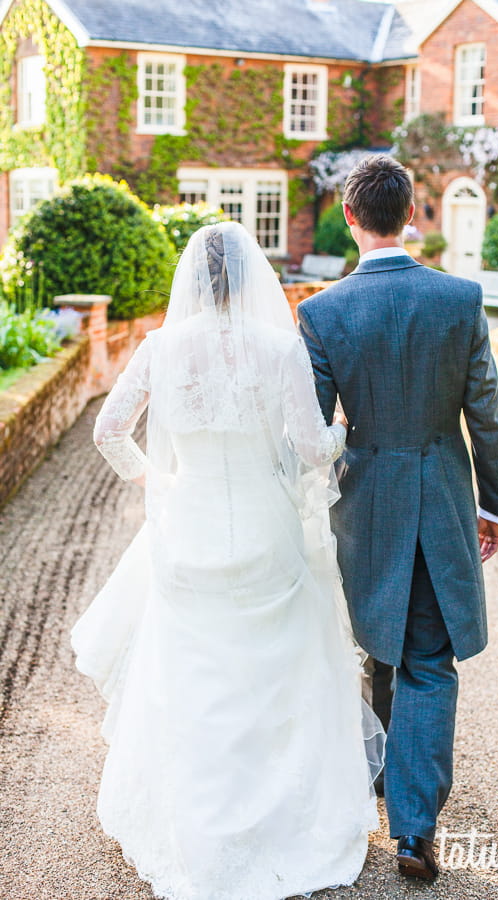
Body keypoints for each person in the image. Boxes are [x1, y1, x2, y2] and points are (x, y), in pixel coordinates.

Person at [71, 222, 383, 900]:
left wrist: (158, 482)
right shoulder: (279, 348)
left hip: (189, 528)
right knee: (273, 676)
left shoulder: (161, 348)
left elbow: (108, 431)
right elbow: (308, 448)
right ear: (250, 281)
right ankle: (278, 815)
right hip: (266, 538)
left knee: (196, 683)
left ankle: (196, 821)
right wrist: (341, 433)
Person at [297, 155, 498, 882]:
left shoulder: (322, 313)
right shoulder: (460, 299)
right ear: (412, 214)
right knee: (426, 656)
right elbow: (485, 412)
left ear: (351, 218)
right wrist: (493, 503)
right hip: (444, 499)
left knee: (379, 645)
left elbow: (312, 432)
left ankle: (392, 787)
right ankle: (414, 828)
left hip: (364, 507)